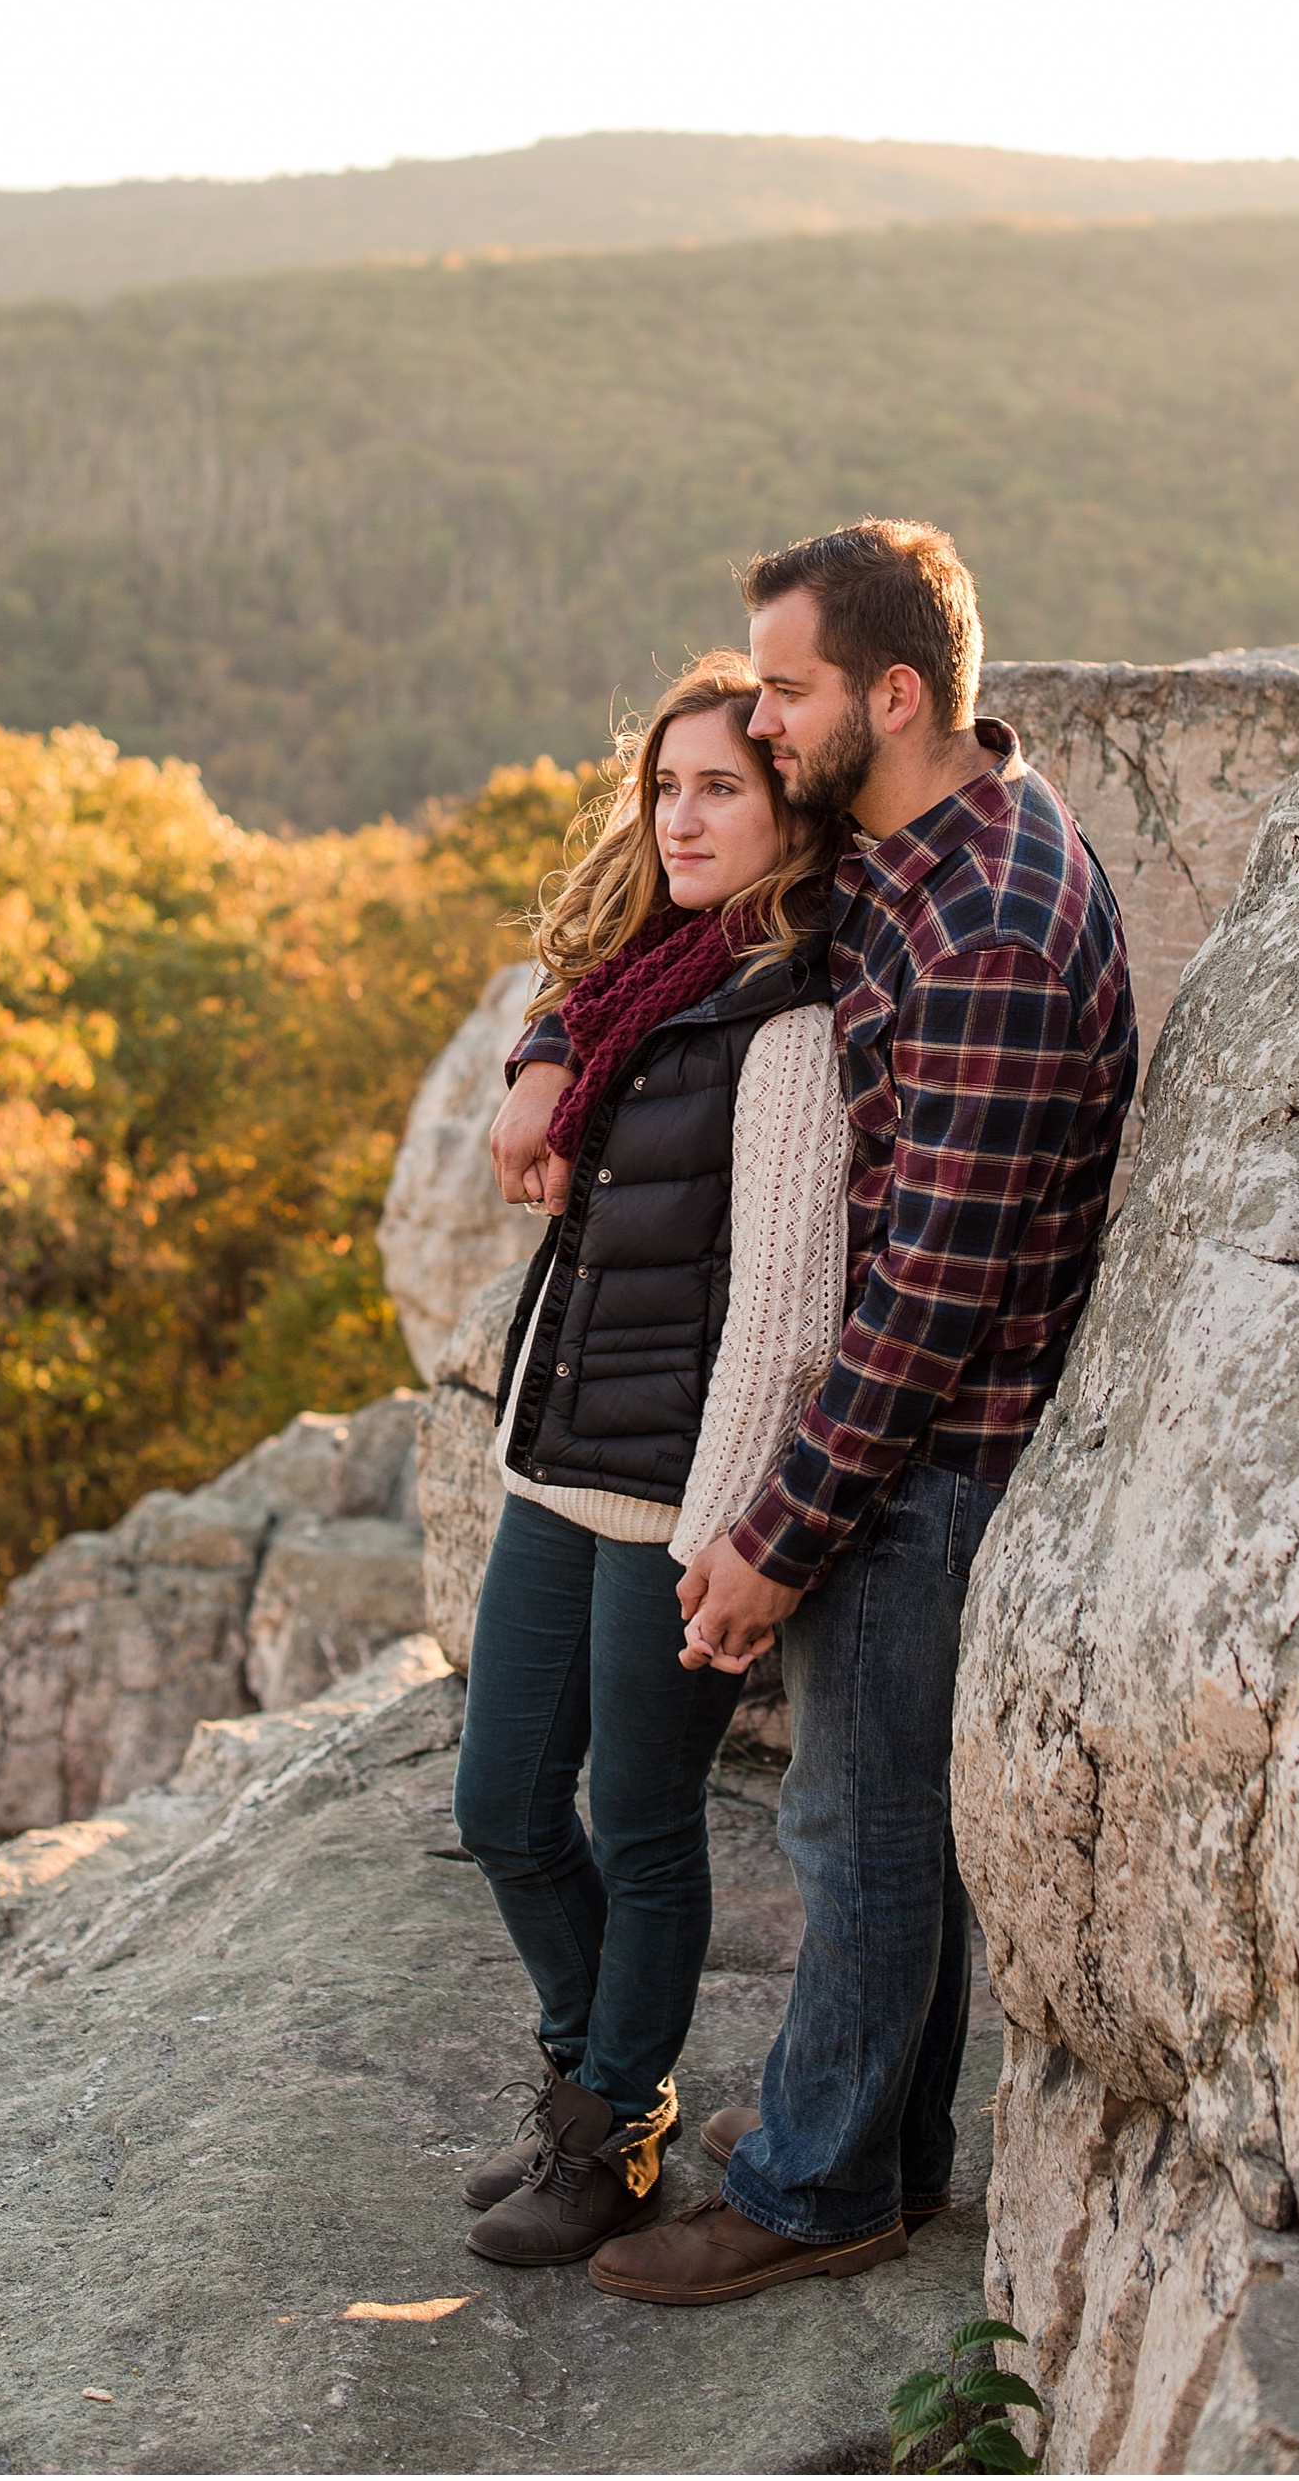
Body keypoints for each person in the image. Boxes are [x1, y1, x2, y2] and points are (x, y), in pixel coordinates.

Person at [498, 519, 1137, 2305]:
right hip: (887, 1436)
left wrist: (774, 1534)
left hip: (927, 1458)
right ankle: (888, 2152)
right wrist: (541, 1047)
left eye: (786, 690)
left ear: (896, 693)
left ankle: (811, 2185)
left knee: (853, 1832)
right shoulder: (909, 850)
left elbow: (930, 1291)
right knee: (873, 1828)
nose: (765, 724)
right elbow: (657, 930)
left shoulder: (993, 918)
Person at [453, 654, 852, 2269]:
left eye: (722, 790)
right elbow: (567, 1001)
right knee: (498, 1803)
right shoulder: (645, 971)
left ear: (787, 812)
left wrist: (732, 1526)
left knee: (641, 1819)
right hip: (563, 1454)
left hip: (681, 1490)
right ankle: (592, 2074)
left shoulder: (795, 1015)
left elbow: (785, 1311)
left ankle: (611, 2122)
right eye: (667, 786)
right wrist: (539, 1059)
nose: (683, 817)